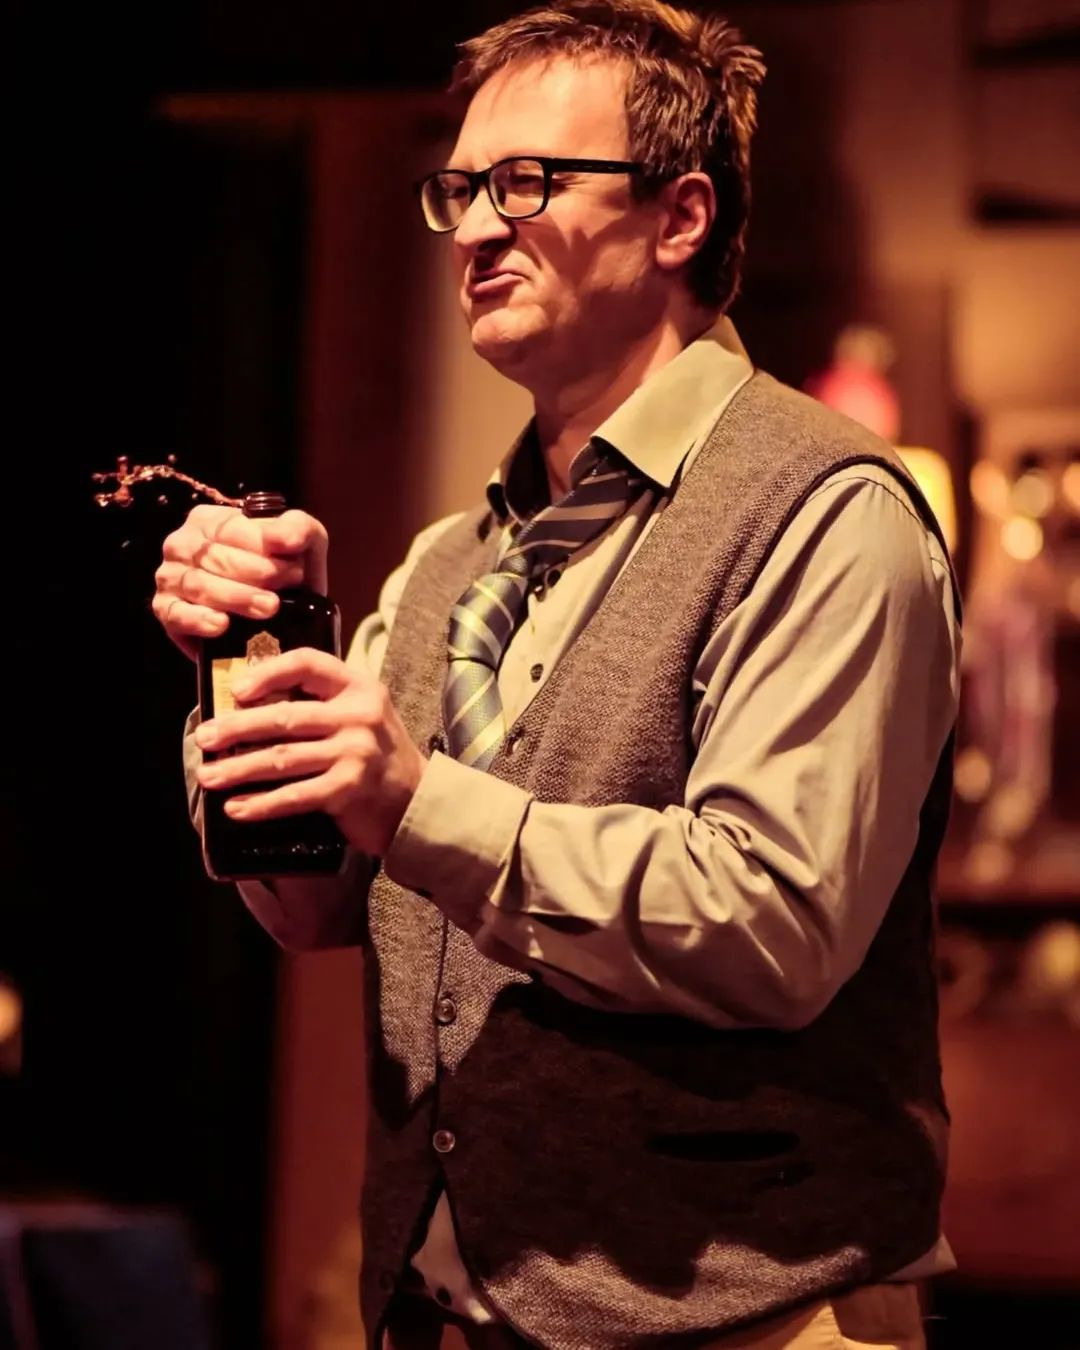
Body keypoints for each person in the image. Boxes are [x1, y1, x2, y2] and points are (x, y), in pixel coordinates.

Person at [155, 2, 962, 1347]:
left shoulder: (827, 511)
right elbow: (318, 907)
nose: (475, 229)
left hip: (746, 1319)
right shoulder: (451, 561)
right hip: (443, 1311)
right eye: (460, 189)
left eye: (525, 183)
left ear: (680, 216)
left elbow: (772, 922)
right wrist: (266, 670)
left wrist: (415, 799)